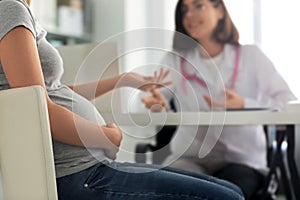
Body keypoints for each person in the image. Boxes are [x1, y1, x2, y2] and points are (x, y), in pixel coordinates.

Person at [0, 0, 245, 199]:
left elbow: (53, 91)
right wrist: (106, 137)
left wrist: (124, 80)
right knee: (227, 197)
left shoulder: (19, 10)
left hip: (90, 168)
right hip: (78, 175)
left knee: (233, 190)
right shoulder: (10, 9)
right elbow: (39, 109)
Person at [141, 0, 297, 199]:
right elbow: (152, 97)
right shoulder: (175, 60)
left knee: (227, 193)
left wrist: (244, 104)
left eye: (198, 6)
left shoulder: (251, 56)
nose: (189, 15)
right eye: (184, 10)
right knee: (178, 191)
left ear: (220, 11)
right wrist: (156, 104)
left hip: (240, 160)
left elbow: (288, 103)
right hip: (190, 157)